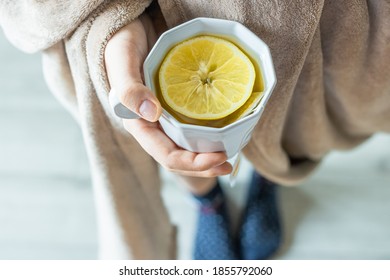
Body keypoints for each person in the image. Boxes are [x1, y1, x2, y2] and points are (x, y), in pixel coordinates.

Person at [1, 0, 389, 259]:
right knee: (183, 145)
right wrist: (116, 20)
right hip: (173, 16)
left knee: (299, 126)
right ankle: (209, 202)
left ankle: (270, 180)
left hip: (327, 25)